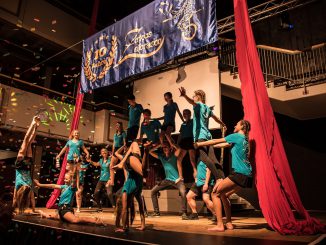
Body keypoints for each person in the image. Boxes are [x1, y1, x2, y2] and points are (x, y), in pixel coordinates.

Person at [195, 120, 252, 231]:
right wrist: (210, 147)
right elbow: (224, 144)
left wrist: (200, 144)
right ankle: (229, 223)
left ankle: (220, 225)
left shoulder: (236, 136)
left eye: (237, 124)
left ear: (242, 126)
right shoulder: (244, 139)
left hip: (239, 174)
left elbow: (216, 141)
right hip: (248, 175)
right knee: (224, 195)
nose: (235, 125)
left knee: (215, 193)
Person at [179, 87, 226, 181]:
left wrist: (184, 95)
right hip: (208, 136)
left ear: (198, 97)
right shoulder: (207, 108)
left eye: (194, 96)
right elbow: (216, 118)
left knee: (204, 158)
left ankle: (218, 178)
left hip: (201, 136)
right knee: (213, 159)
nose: (193, 97)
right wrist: (223, 124)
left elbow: (191, 101)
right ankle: (222, 178)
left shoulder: (198, 105)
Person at [34, 174, 103, 225]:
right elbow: (52, 185)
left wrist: (75, 168)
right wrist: (40, 185)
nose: (64, 180)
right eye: (64, 179)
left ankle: (94, 220)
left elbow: (74, 180)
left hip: (65, 208)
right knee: (52, 217)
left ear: (71, 180)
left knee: (75, 220)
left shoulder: (71, 188)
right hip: (61, 209)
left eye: (66, 179)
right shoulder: (64, 187)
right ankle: (43, 214)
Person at [149, 135, 187, 218]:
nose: (165, 149)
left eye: (166, 147)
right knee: (153, 191)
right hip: (167, 180)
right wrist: (159, 145)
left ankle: (184, 213)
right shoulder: (162, 157)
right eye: (164, 148)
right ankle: (156, 212)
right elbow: (150, 152)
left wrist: (171, 143)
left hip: (177, 180)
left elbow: (179, 149)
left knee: (183, 192)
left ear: (170, 148)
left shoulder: (174, 155)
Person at [112, 142, 146, 232]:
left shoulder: (126, 191)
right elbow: (141, 208)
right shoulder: (127, 157)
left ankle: (125, 227)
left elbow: (116, 153)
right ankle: (140, 225)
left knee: (124, 206)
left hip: (133, 182)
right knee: (134, 143)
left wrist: (124, 146)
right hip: (138, 181)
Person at [13, 116, 40, 214]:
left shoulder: (29, 187)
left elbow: (32, 198)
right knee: (26, 140)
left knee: (29, 142)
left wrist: (34, 209)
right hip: (20, 165)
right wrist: (12, 209)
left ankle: (36, 126)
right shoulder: (18, 186)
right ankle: (34, 124)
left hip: (27, 166)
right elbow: (15, 198)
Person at [175, 109, 197, 183]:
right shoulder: (183, 124)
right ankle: (181, 177)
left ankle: (196, 177)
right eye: (184, 113)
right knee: (178, 159)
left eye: (186, 113)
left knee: (192, 160)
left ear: (190, 114)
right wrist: (177, 144)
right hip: (183, 142)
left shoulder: (193, 121)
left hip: (190, 140)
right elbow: (180, 135)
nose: (185, 115)